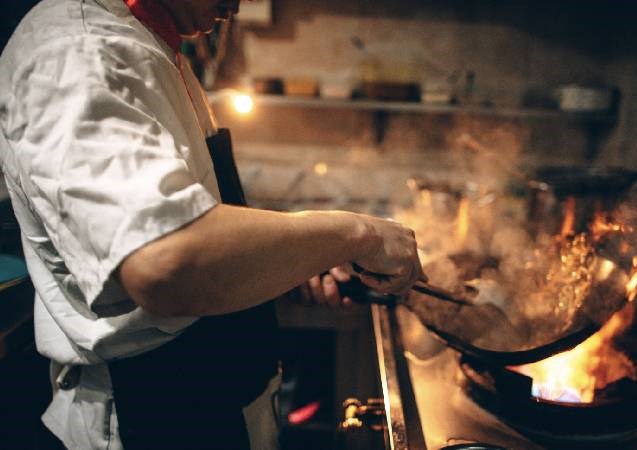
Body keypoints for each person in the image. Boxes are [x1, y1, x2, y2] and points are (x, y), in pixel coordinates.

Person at [0, 0, 424, 449]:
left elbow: (198, 235)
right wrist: (358, 233)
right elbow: (167, 262)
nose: (241, 3)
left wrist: (295, 263)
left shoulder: (149, 43)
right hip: (156, 418)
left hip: (212, 400)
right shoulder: (79, 52)